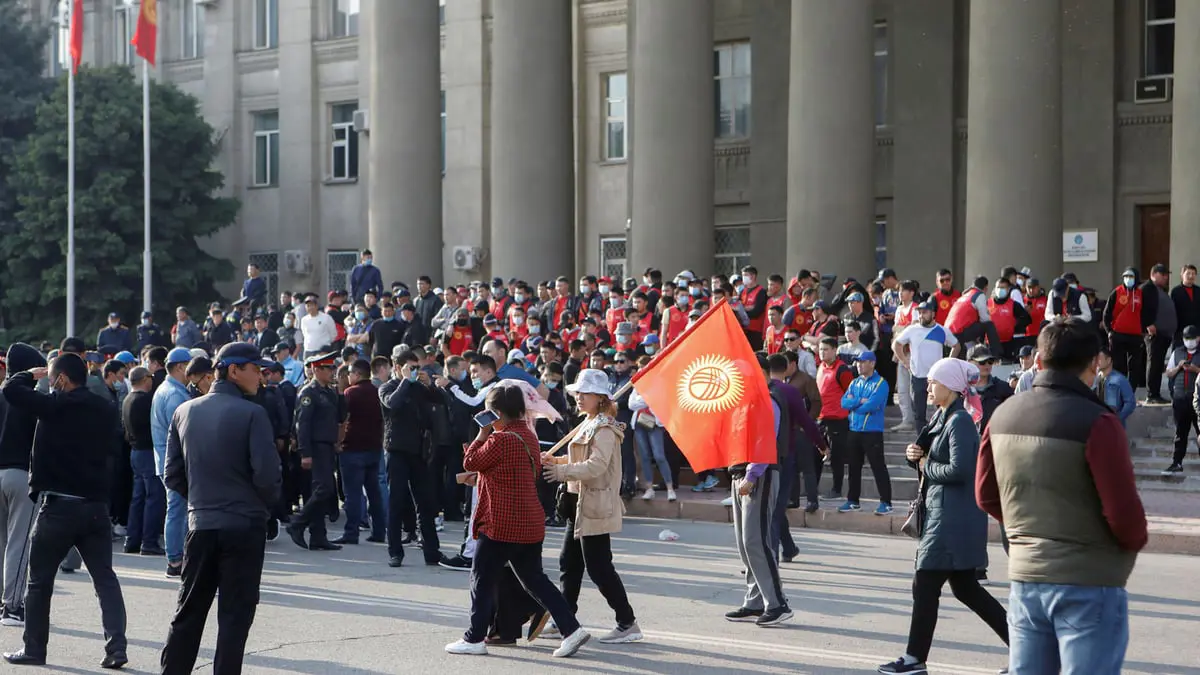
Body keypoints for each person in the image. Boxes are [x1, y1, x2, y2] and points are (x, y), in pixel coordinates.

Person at [978, 317, 1148, 674]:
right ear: (1093, 364)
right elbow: (1126, 518)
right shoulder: (1099, 422)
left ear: (1038, 361)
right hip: (1089, 579)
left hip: (1026, 575)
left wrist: (1026, 532)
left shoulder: (1003, 415)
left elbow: (985, 495)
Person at [877, 357, 1008, 674]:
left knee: (925, 586)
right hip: (945, 515)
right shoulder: (942, 418)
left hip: (949, 520)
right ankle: (1030, 650)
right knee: (966, 589)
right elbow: (935, 459)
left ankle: (913, 659)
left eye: (933, 382)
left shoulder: (959, 421)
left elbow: (960, 469)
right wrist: (914, 456)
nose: (928, 388)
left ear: (950, 386)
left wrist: (925, 466)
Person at [160, 343, 282, 674]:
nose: (262, 375)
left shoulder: (184, 411)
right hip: (244, 525)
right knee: (234, 617)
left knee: (188, 613)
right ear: (233, 370)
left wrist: (202, 499)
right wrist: (259, 504)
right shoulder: (253, 413)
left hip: (201, 522)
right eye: (256, 368)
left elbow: (172, 474)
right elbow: (268, 475)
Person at [0, 354, 128, 669]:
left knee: (39, 581)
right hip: (96, 506)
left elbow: (10, 391)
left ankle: (34, 648)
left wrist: (28, 375)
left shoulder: (55, 406)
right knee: (105, 580)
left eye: (51, 378)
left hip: (57, 506)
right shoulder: (105, 409)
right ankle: (116, 647)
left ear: (61, 379)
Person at [445, 383, 591, 658]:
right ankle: (572, 629)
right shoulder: (528, 436)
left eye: (489, 412)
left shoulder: (500, 440)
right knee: (535, 579)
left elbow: (471, 461)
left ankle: (474, 637)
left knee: (482, 579)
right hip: (529, 521)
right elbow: (507, 471)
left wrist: (481, 432)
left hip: (501, 522)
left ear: (497, 412)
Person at [541, 369, 641, 644]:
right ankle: (565, 618)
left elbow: (596, 466)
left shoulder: (605, 428)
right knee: (569, 563)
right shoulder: (588, 422)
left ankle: (626, 621)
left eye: (584, 393)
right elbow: (578, 457)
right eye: (578, 393)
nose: (579, 397)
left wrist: (561, 472)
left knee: (599, 568)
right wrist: (557, 462)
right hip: (577, 502)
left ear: (600, 397)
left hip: (594, 503)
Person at [0, 344, 46, 627]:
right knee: (19, 542)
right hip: (20, 474)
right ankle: (12, 606)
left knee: (2, 542)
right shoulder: (30, 398)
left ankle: (3, 600)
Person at [286, 353, 344, 552]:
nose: (331, 372)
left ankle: (318, 536)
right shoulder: (308, 393)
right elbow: (303, 424)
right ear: (316, 370)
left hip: (326, 446)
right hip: (315, 446)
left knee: (323, 491)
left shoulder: (329, 392)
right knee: (323, 489)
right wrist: (305, 452)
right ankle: (297, 523)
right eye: (327, 368)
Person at [152, 347, 196, 578]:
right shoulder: (175, 395)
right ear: (180, 366)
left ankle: (176, 558)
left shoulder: (166, 389)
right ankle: (176, 560)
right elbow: (182, 434)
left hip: (165, 459)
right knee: (178, 511)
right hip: (175, 462)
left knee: (176, 510)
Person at [333, 359, 386, 545]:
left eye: (350, 374)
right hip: (373, 447)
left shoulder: (350, 393)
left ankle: (351, 532)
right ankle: (379, 530)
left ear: (356, 374)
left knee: (353, 493)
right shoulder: (377, 391)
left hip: (352, 448)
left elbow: (342, 418)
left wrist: (338, 442)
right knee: (374, 492)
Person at [838, 352, 892, 515]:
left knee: (878, 467)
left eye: (862, 362)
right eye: (857, 362)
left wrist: (855, 404)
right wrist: (858, 402)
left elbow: (871, 405)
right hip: (854, 430)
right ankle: (853, 500)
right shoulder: (855, 382)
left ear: (872, 363)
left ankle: (886, 502)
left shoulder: (881, 383)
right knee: (853, 467)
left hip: (872, 431)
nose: (858, 365)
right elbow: (843, 402)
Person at [121, 367, 165, 556]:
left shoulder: (128, 399)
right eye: (150, 377)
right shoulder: (146, 400)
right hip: (147, 451)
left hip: (135, 451)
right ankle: (149, 541)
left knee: (138, 498)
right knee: (154, 497)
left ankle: (132, 539)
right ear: (144, 379)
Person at [1165, 325, 1200, 474]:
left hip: (1197, 400)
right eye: (1187, 339)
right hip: (1180, 399)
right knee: (1180, 433)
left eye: (1192, 338)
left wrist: (1196, 370)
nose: (1189, 342)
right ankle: (1176, 462)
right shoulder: (1177, 352)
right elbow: (1168, 373)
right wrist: (1179, 367)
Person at [629, 387, 674, 502]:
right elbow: (631, 405)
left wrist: (644, 400)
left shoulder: (658, 385)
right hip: (639, 423)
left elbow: (660, 402)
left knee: (659, 456)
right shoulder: (637, 387)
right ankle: (649, 489)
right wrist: (647, 400)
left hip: (655, 423)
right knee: (644, 456)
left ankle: (670, 488)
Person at [1095, 346, 1136, 427]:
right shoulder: (1094, 379)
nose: (1097, 362)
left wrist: (1118, 418)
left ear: (1109, 360)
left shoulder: (1120, 379)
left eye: (1099, 359)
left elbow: (1130, 402)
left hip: (1113, 425)